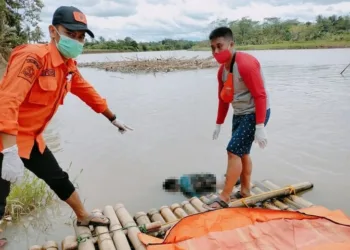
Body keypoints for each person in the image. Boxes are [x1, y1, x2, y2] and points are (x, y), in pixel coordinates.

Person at [0, 5, 133, 234]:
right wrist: (8, 152)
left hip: (30, 138)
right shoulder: (33, 58)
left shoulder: (68, 66)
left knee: (57, 177)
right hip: (6, 139)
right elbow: (7, 102)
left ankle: (83, 216)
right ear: (53, 31)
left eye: (81, 37)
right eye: (70, 34)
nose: (77, 40)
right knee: (0, 196)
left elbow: (86, 91)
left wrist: (112, 117)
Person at [205, 27, 271, 209]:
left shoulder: (246, 64)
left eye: (220, 46)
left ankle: (224, 197)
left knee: (233, 151)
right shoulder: (222, 71)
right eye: (212, 48)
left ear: (231, 44)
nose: (216, 52)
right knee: (242, 153)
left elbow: (260, 95)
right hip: (240, 113)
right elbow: (223, 99)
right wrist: (219, 123)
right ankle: (245, 191)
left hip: (256, 112)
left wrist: (260, 126)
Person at [163, 173, 240, 198]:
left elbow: (199, 197)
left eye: (171, 190)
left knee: (229, 184)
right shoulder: (184, 177)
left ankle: (235, 181)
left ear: (173, 187)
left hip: (213, 185)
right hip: (212, 178)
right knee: (225, 180)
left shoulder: (186, 190)